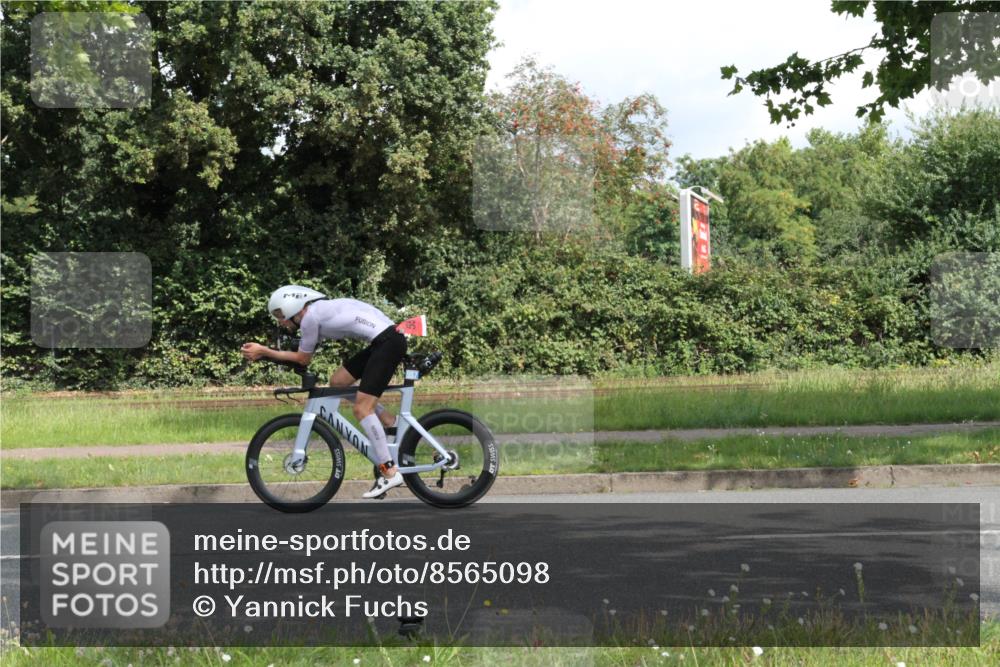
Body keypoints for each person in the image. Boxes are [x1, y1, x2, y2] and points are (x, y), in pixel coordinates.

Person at [240, 285, 407, 498]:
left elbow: (303, 358)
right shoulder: (318, 311)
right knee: (338, 382)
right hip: (385, 339)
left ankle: (389, 471)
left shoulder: (309, 318)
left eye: (280, 315)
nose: (279, 321)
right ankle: (388, 420)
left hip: (387, 342)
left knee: (362, 410)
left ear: (293, 308)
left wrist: (264, 351)